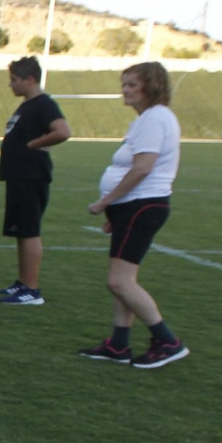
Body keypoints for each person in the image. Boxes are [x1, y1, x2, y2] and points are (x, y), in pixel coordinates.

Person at [79, 62, 187, 368]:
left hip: (142, 204)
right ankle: (118, 344)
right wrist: (116, 210)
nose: (124, 90)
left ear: (150, 87)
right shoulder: (149, 119)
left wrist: (105, 202)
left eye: (131, 84)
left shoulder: (154, 119)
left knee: (120, 282)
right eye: (124, 83)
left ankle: (167, 341)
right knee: (122, 280)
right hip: (134, 206)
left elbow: (142, 168)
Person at [0, 56, 72, 305]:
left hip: (31, 175)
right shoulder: (28, 104)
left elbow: (62, 131)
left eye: (14, 80)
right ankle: (22, 283)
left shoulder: (43, 103)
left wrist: (33, 144)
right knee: (21, 231)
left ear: (30, 80)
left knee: (29, 231)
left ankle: (32, 289)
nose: (11, 85)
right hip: (19, 175)